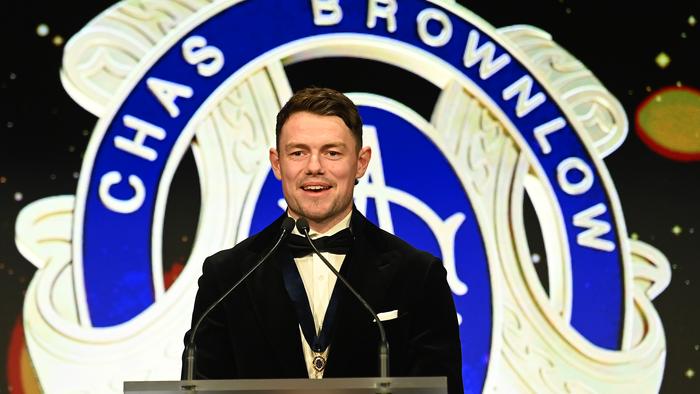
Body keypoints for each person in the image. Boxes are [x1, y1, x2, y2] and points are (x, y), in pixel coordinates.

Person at [182, 87, 463, 393]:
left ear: (361, 161)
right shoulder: (226, 277)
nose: (314, 167)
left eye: (332, 152)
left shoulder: (418, 275)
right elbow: (200, 387)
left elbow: (442, 388)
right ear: (277, 163)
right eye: (298, 152)